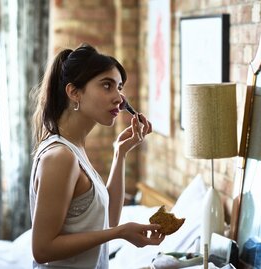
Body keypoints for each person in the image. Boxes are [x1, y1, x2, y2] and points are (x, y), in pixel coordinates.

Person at [29, 43, 165, 268]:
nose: (119, 98)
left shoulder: (74, 149)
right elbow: (42, 250)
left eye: (119, 87)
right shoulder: (61, 157)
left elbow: (107, 221)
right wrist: (118, 233)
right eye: (107, 85)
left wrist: (120, 153)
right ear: (74, 92)